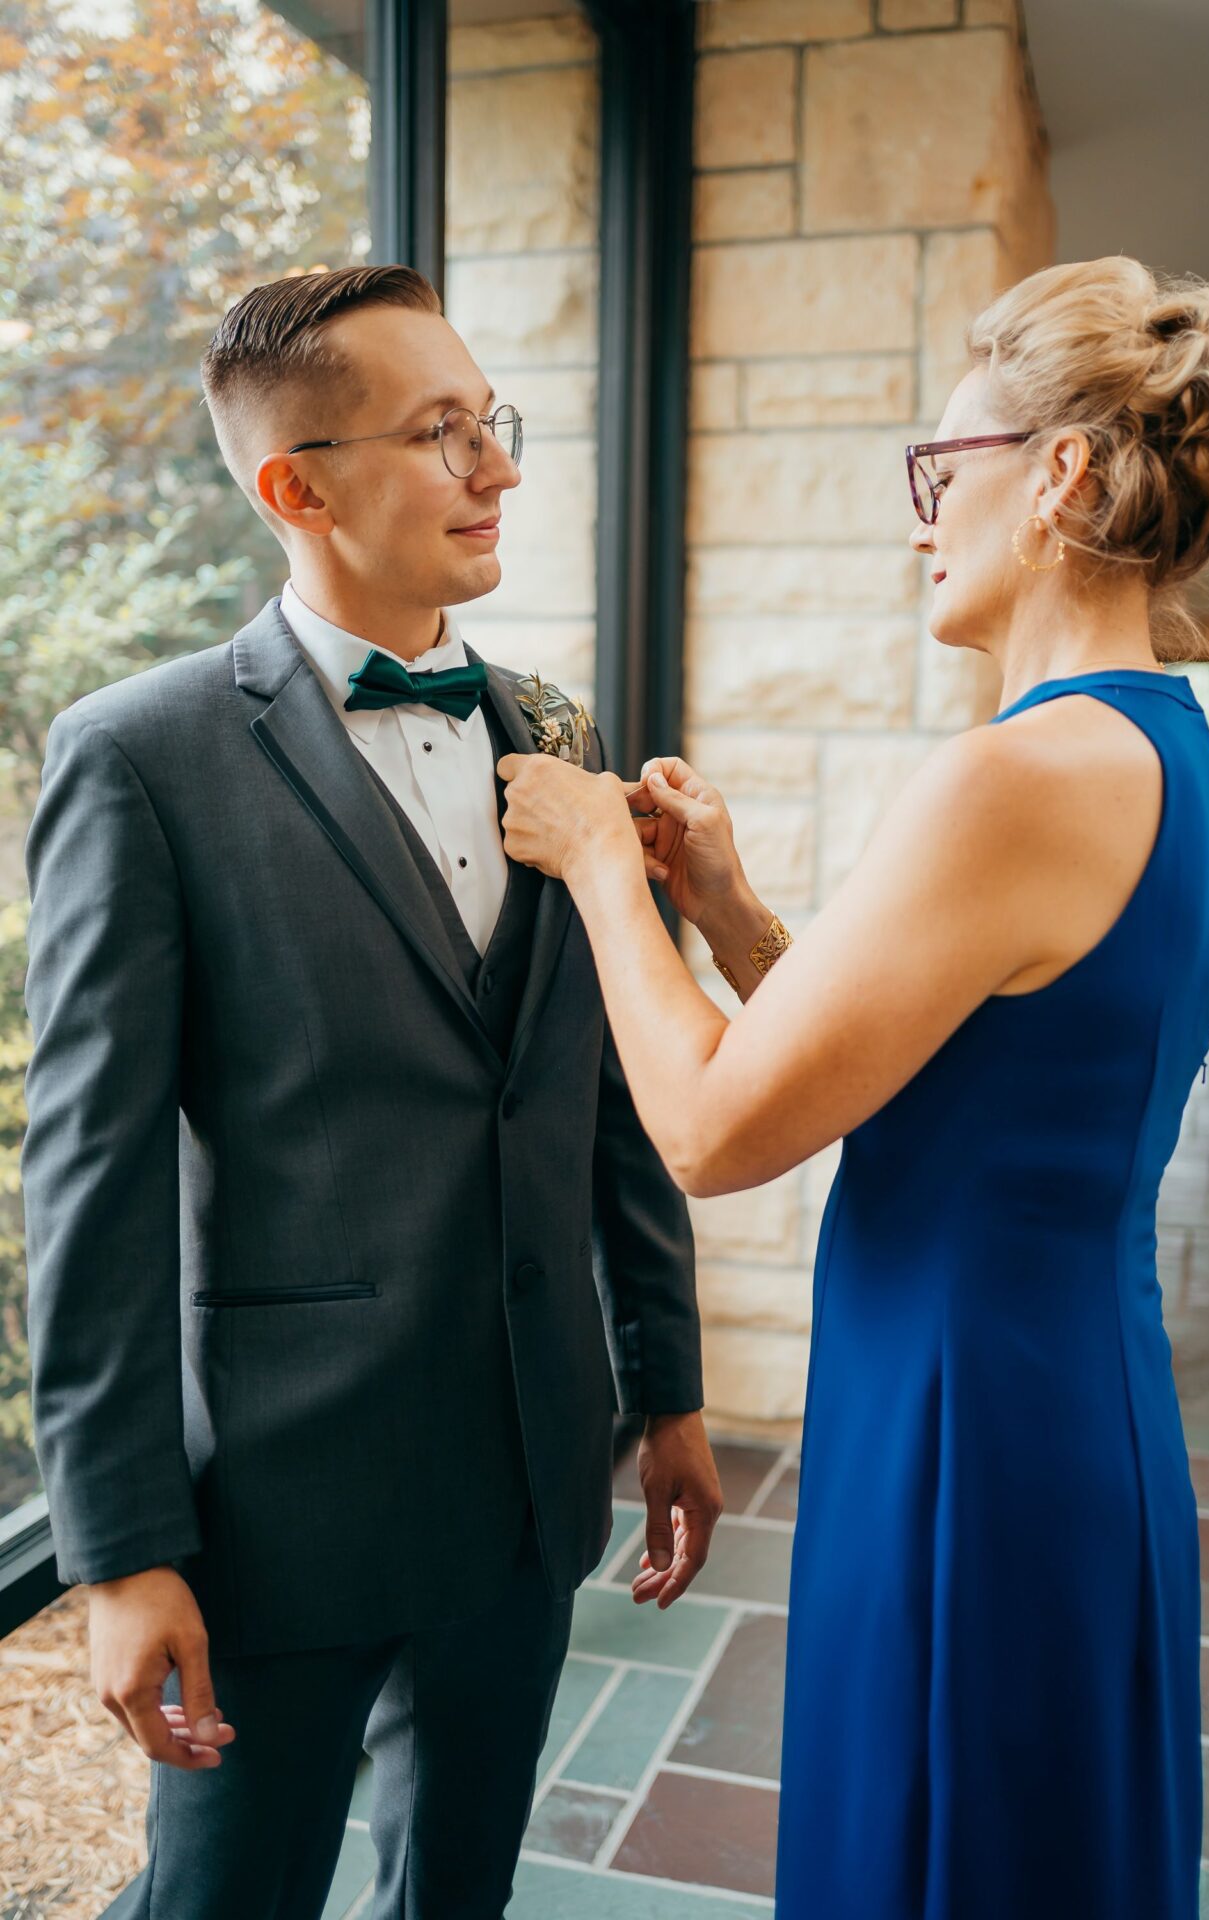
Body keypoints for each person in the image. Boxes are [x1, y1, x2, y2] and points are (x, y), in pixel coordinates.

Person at [496, 257, 1209, 1918]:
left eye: (943, 474)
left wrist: (595, 870)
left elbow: (711, 1133)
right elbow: (938, 1075)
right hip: (1060, 1386)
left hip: (965, 1420)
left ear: (1055, 477)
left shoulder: (1008, 777)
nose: (920, 518)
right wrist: (727, 910)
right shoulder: (1160, 751)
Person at [21, 263, 721, 1920]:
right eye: (442, 433)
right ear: (297, 487)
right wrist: (121, 1552)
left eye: (495, 423)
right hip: (285, 1503)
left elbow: (605, 1087)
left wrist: (664, 1381)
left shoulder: (553, 727)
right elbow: (92, 1185)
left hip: (538, 1466)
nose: (499, 468)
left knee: (456, 1893)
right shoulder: (139, 757)